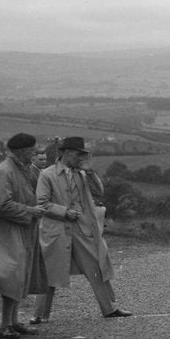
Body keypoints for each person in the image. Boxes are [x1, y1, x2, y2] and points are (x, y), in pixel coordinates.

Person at [34, 136, 132, 321]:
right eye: (77, 154)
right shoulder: (47, 174)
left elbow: (98, 192)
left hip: (81, 229)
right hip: (56, 230)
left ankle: (109, 309)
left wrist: (91, 171)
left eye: (82, 154)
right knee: (50, 270)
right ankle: (39, 315)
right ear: (65, 153)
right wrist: (64, 212)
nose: (80, 158)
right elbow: (42, 203)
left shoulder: (82, 174)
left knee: (96, 266)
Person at [0, 133, 47, 339]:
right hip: (4, 233)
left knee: (19, 275)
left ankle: (14, 321)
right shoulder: (4, 172)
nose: (33, 155)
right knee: (11, 276)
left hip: (19, 230)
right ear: (21, 151)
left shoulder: (21, 170)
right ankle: (5, 324)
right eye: (31, 152)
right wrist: (30, 211)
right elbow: (1, 204)